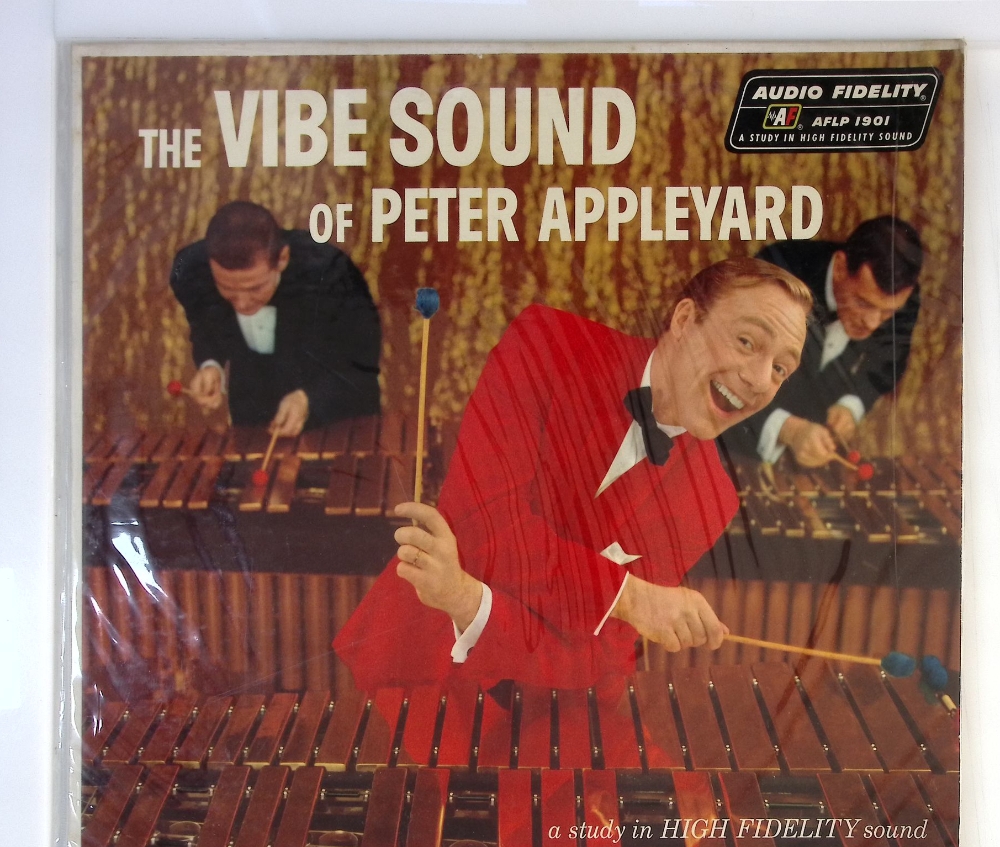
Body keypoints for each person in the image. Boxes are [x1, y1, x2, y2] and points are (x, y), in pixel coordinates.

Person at [334, 258, 811, 694]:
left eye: (781, 369)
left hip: (550, 705)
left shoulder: (712, 499)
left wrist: (466, 598)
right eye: (747, 342)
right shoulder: (548, 345)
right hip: (412, 668)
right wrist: (628, 597)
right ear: (685, 320)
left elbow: (596, 658)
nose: (759, 379)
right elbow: (485, 526)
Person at [718, 215, 922, 466]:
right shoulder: (777, 271)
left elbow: (888, 363)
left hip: (799, 464)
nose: (872, 323)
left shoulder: (904, 297)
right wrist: (787, 429)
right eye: (863, 302)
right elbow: (727, 373)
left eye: (888, 313)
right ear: (840, 267)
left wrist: (852, 405)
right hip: (727, 444)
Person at [170, 201, 381, 436]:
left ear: (282, 259)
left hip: (340, 423)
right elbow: (207, 326)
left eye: (255, 288)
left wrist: (309, 399)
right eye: (228, 290)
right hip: (252, 417)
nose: (242, 304)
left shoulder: (334, 275)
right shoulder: (192, 272)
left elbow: (360, 363)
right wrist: (211, 366)